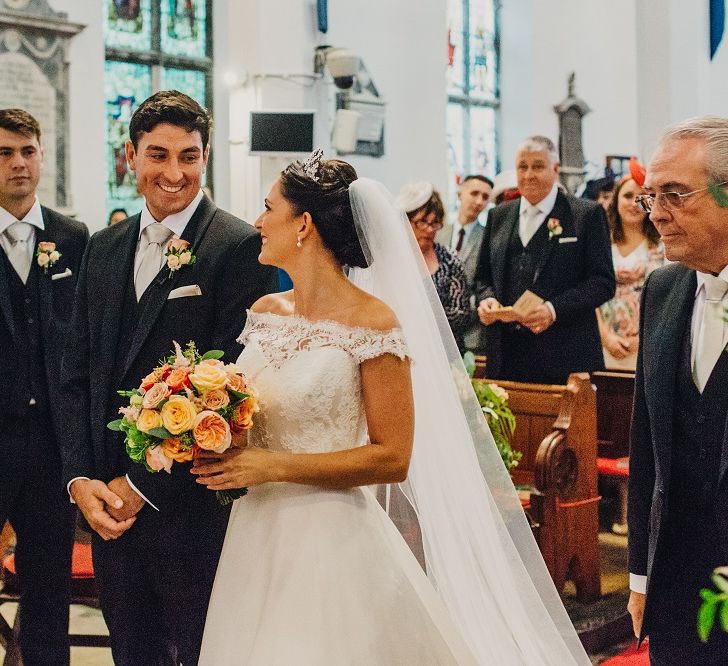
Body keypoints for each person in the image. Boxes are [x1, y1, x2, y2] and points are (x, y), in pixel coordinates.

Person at [193, 150, 591, 664]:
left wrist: (273, 465)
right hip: (255, 528)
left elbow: (392, 456)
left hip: (327, 533)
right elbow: (257, 411)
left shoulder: (374, 325)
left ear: (304, 225)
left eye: (268, 208)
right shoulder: (267, 313)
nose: (258, 221)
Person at [60, 90, 277, 665]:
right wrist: (82, 479)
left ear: (206, 158)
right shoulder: (101, 248)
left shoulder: (239, 246)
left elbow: (235, 387)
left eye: (189, 156)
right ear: (131, 156)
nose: (174, 173)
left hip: (189, 507)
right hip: (105, 502)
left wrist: (141, 486)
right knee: (131, 651)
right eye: (158, 155)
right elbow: (76, 374)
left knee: (200, 649)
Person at [627, 116, 728, 665]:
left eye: (674, 194)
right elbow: (647, 444)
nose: (656, 213)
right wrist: (640, 574)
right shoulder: (663, 289)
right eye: (650, 196)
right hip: (676, 578)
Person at [0, 108, 89, 666]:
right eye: (4, 153)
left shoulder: (72, 237)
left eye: (27, 151)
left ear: (41, 156)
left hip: (52, 447)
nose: (17, 164)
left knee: (48, 587)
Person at [475, 135, 615, 384]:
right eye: (522, 166)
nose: (528, 175)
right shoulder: (499, 216)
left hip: (563, 352)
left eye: (538, 166)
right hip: (506, 354)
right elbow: (483, 277)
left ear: (555, 168)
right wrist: (487, 299)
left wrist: (553, 310)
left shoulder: (585, 214)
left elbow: (602, 282)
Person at [597, 171, 665, 370]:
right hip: (604, 343)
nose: (634, 203)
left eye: (641, 197)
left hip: (647, 344)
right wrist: (606, 337)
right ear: (615, 200)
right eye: (627, 196)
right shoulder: (602, 245)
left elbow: (665, 298)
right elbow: (590, 292)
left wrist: (644, 337)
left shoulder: (661, 246)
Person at [396, 181, 470, 351]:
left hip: (446, 351)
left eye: (435, 222)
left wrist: (418, 319)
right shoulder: (395, 261)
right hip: (406, 348)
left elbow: (461, 314)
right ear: (405, 222)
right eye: (422, 222)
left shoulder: (449, 259)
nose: (430, 230)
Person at [436, 174, 493, 352]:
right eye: (474, 193)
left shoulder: (488, 237)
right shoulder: (439, 233)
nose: (479, 201)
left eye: (485, 197)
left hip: (472, 331)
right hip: (437, 327)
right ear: (460, 194)